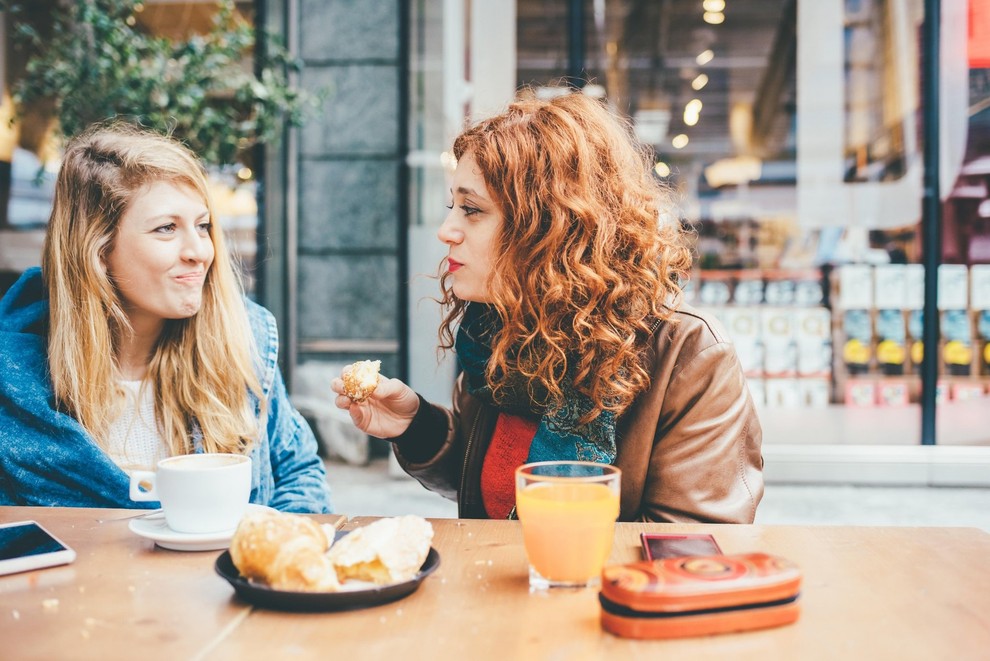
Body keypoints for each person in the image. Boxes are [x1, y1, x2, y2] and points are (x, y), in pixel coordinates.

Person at [332, 91, 763, 523]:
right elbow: (498, 490)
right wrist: (416, 426)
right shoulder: (495, 330)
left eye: (471, 210)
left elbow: (692, 551)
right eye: (452, 207)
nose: (447, 230)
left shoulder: (690, 355)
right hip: (501, 588)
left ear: (549, 227)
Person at [0, 123, 332, 513]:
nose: (199, 251)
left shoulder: (245, 337)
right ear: (98, 249)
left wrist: (270, 561)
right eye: (166, 228)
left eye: (203, 226)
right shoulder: (15, 374)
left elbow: (298, 473)